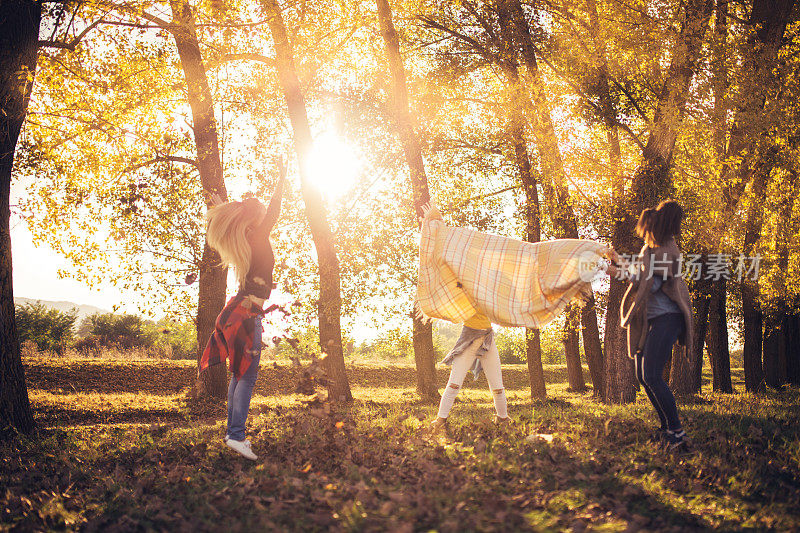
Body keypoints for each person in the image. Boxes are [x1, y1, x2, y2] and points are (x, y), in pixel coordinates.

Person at [199, 161, 285, 460]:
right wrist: (282, 176)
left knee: (239, 375)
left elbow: (243, 213)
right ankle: (236, 436)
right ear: (256, 217)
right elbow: (274, 209)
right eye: (261, 212)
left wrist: (220, 205)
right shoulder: (257, 235)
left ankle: (232, 434)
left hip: (234, 312)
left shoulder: (245, 236)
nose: (266, 215)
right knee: (246, 377)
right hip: (245, 314)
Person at [606, 200, 694, 449]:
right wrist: (618, 260)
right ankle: (667, 429)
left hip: (668, 319)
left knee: (652, 375)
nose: (643, 230)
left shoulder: (667, 251)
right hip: (653, 320)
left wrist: (616, 272)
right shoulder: (652, 248)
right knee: (643, 376)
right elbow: (642, 274)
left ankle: (676, 432)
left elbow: (650, 283)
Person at [431, 311, 508, 431]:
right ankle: (440, 420)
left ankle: (502, 419)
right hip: (468, 338)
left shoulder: (489, 295)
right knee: (453, 385)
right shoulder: (467, 294)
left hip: (487, 340)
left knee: (498, 388)